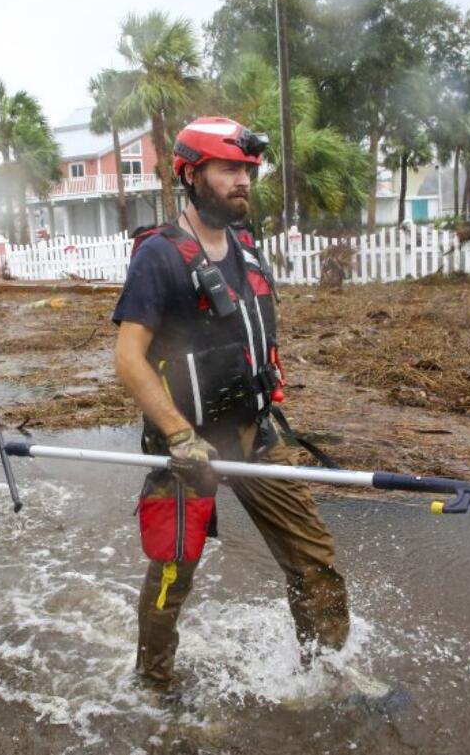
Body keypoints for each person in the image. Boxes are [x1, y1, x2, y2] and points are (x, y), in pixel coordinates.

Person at [112, 117, 351, 690]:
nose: (243, 180)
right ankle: (154, 683)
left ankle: (326, 676)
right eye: (228, 169)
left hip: (255, 434)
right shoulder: (160, 257)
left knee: (314, 560)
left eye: (247, 170)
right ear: (190, 175)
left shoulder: (246, 246)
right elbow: (128, 359)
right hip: (187, 446)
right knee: (173, 571)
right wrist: (176, 432)